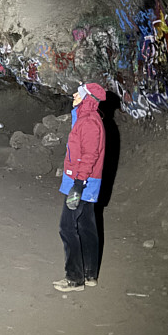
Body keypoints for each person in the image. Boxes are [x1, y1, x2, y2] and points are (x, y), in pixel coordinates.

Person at [53, 81, 106, 293]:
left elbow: (90, 155)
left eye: (79, 92)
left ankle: (74, 279)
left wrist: (77, 184)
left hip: (82, 182)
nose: (74, 94)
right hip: (85, 181)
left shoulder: (90, 122)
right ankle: (90, 274)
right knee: (86, 225)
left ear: (88, 98)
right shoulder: (85, 118)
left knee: (67, 227)